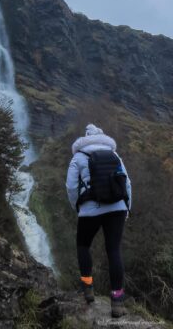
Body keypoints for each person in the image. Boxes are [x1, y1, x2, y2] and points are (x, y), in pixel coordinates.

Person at [66, 124, 132, 318]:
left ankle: (87, 290)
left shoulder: (78, 157)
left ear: (85, 138)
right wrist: (127, 208)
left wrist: (77, 207)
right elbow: (127, 183)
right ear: (103, 137)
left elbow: (70, 187)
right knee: (113, 250)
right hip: (117, 208)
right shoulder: (115, 155)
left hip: (90, 209)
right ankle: (117, 302)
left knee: (83, 245)